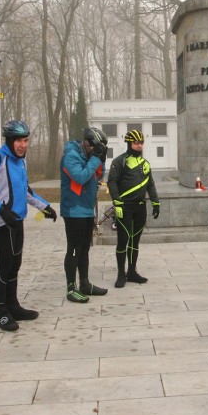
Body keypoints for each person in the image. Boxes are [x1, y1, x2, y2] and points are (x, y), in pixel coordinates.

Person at [0, 120, 57, 332]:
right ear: (9, 141)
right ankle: (1, 314)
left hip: (16, 220)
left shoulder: (21, 162)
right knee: (4, 266)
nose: (23, 145)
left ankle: (13, 306)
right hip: (0, 222)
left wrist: (44, 207)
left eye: (26, 140)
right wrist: (0, 210)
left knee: (15, 264)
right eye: (19, 140)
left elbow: (26, 191)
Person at [60, 127, 109, 303]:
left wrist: (101, 160)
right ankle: (71, 287)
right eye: (96, 147)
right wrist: (96, 158)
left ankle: (85, 283)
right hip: (74, 209)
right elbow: (80, 177)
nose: (96, 151)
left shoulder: (90, 156)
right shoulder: (70, 156)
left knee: (85, 249)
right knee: (74, 248)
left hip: (86, 208)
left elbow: (97, 176)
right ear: (88, 143)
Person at [108, 129, 160, 288]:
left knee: (134, 242)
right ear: (129, 143)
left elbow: (150, 184)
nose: (139, 146)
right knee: (122, 240)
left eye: (141, 143)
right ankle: (120, 274)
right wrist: (117, 202)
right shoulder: (119, 161)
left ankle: (132, 272)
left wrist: (155, 202)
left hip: (140, 207)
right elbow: (112, 182)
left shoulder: (145, 164)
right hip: (125, 207)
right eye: (136, 143)